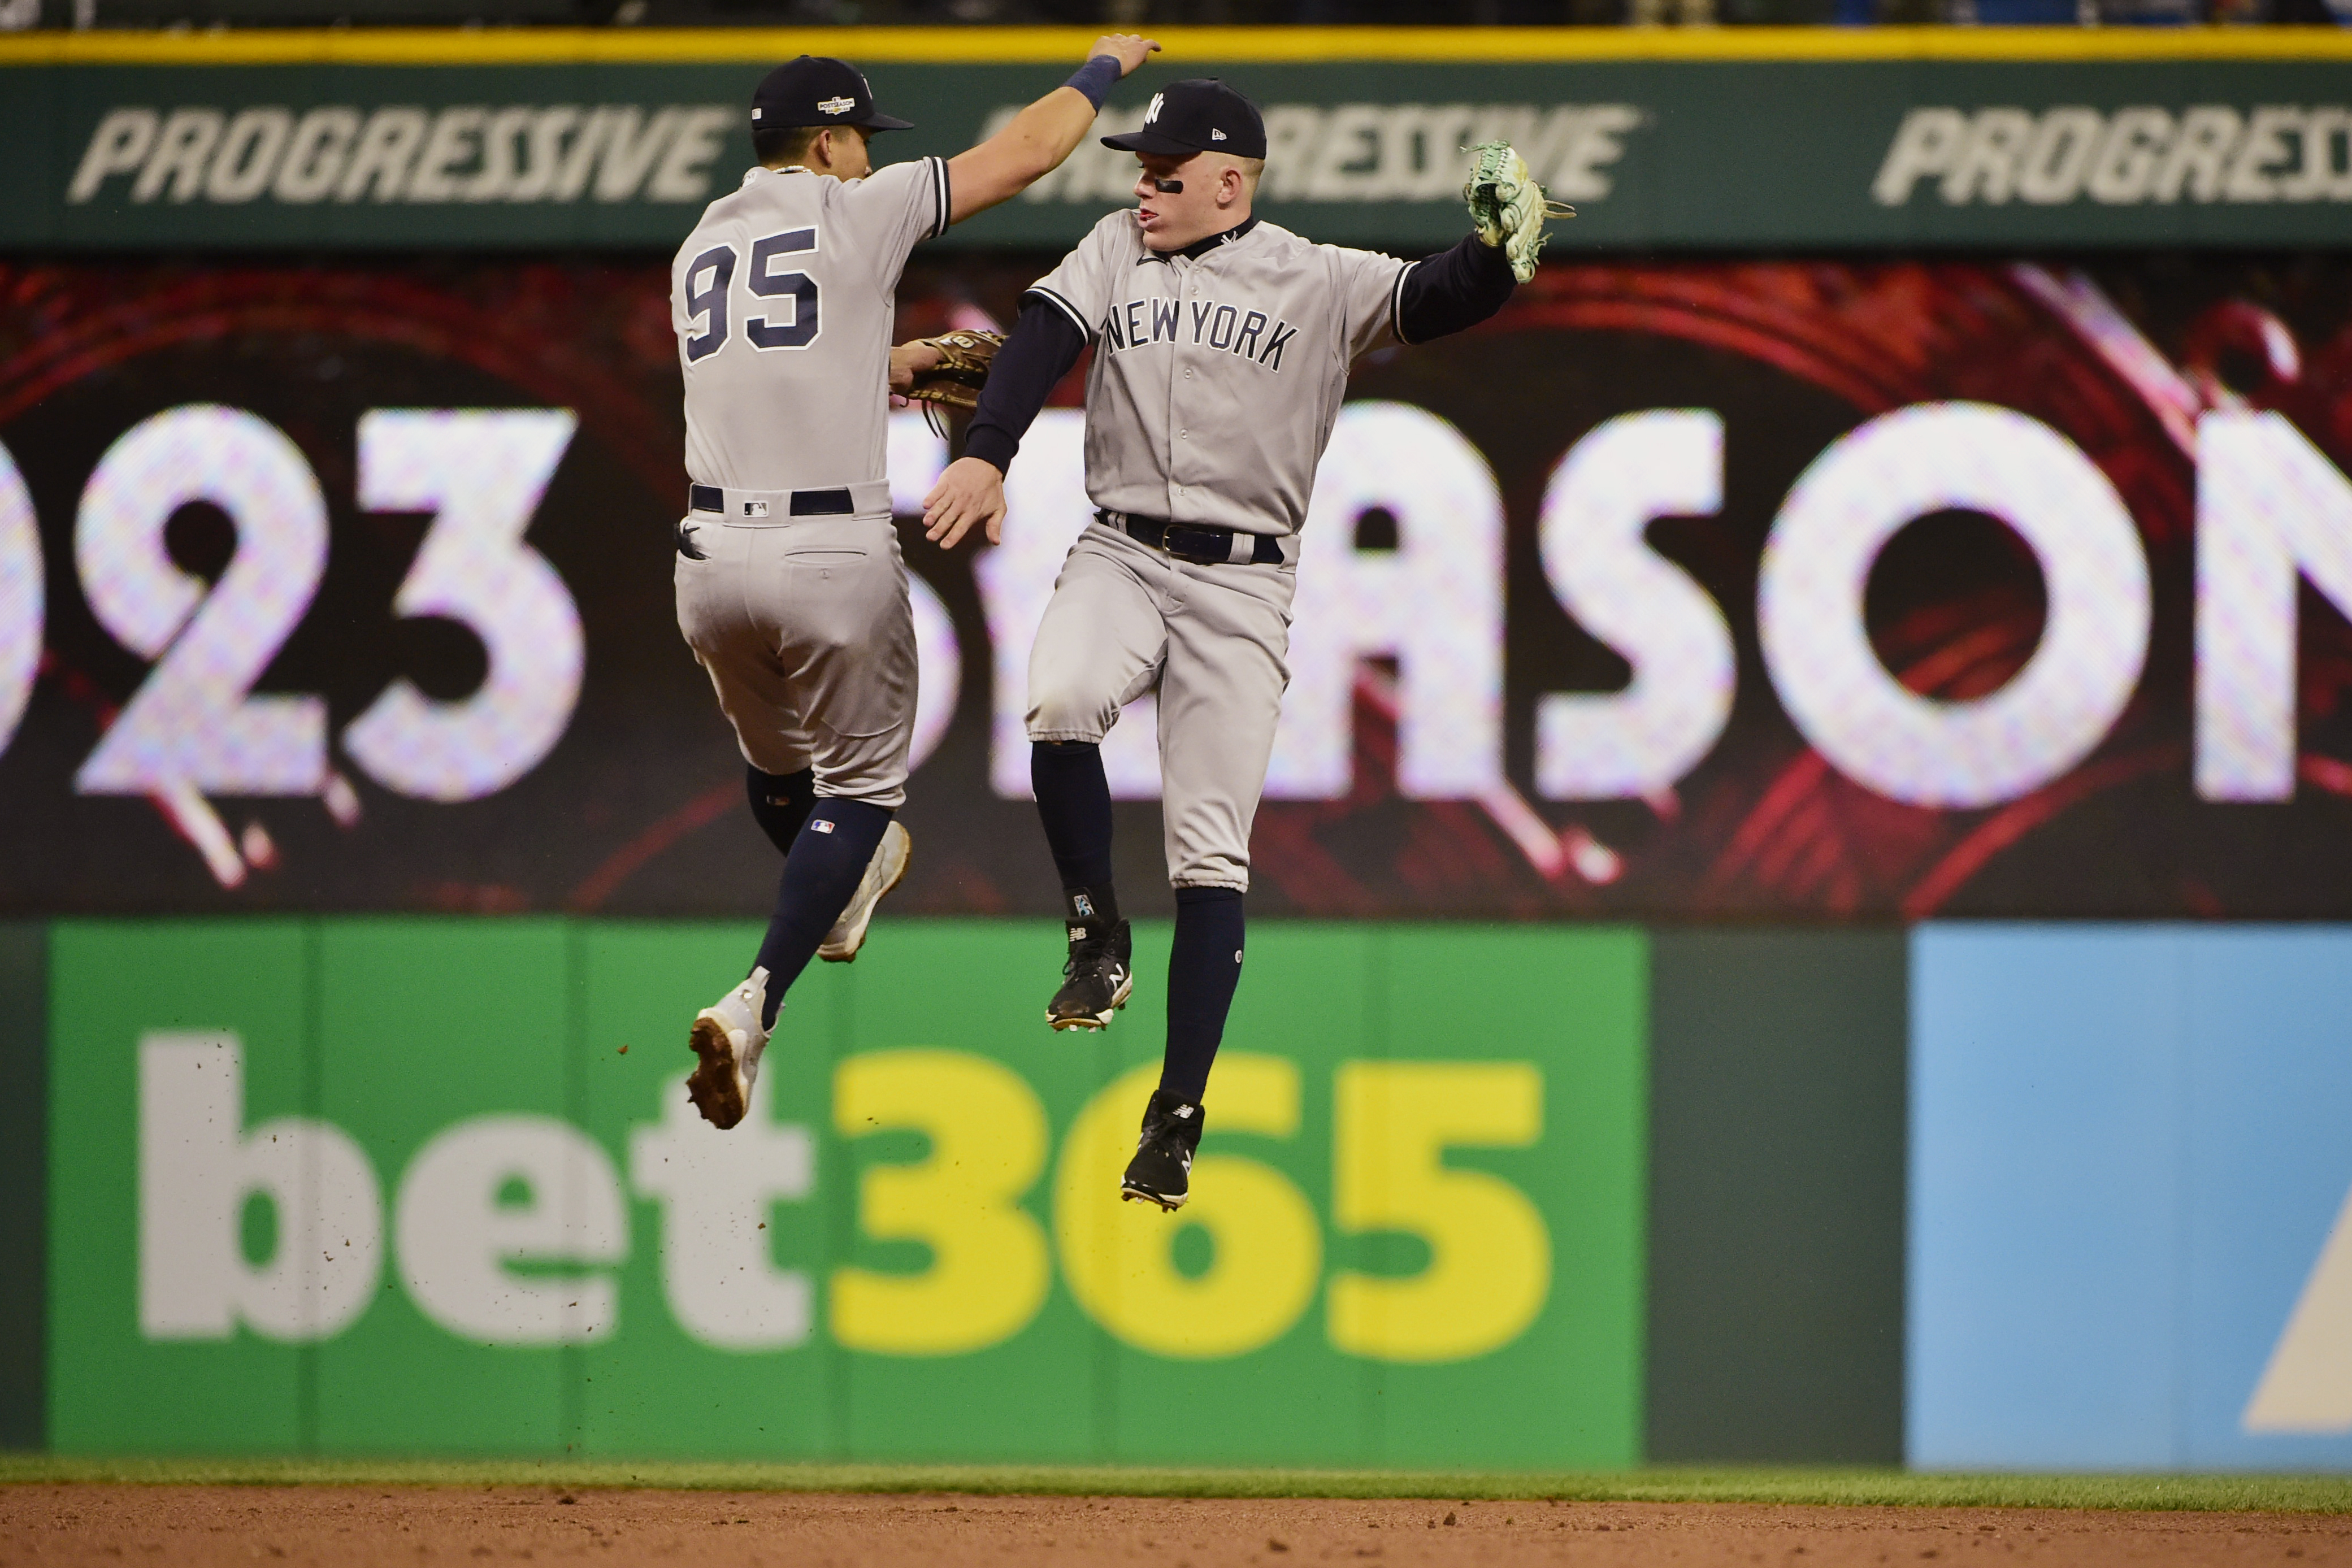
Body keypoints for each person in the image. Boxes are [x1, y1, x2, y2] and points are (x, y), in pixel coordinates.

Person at [920, 79, 1531, 1208]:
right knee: (1057, 699)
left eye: (1163, 172)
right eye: (1138, 170)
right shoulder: (1113, 248)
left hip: (1243, 582)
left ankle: (1175, 1113)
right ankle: (1095, 927)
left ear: (1229, 182)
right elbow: (1036, 342)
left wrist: (1495, 254)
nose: (1142, 187)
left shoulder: (1313, 276)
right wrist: (988, 451)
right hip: (1120, 548)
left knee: (1209, 853)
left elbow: (1437, 295)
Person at [674, 38, 1160, 1131]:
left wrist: (889, 364)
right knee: (863, 795)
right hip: (827, 553)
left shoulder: (700, 243)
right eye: (858, 142)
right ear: (832, 140)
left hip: (706, 560)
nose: (863, 158)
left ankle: (838, 893)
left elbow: (765, 363)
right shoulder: (863, 207)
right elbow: (1029, 151)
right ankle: (757, 999)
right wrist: (1099, 69)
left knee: (781, 766)